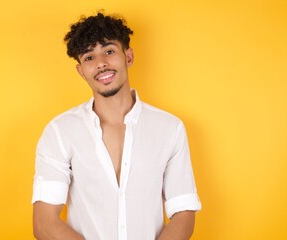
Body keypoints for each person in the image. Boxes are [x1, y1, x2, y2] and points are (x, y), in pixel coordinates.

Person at [32, 12, 201, 240]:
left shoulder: (170, 129)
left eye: (109, 51)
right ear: (81, 71)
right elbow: (44, 223)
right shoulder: (60, 132)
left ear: (128, 57)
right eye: (89, 57)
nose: (101, 63)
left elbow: (183, 211)